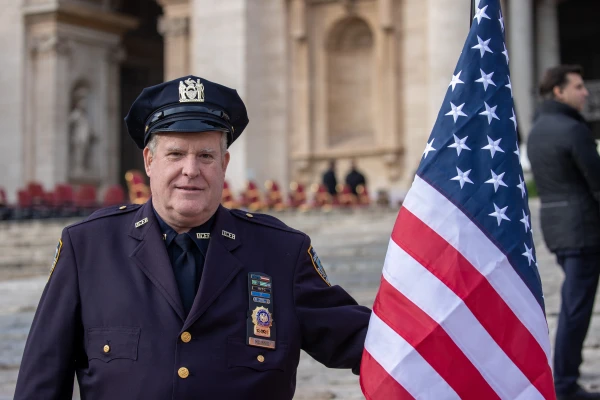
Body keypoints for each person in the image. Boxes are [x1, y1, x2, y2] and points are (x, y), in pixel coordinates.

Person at [14, 75, 371, 400]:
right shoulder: (89, 248)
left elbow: (369, 344)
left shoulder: (281, 252)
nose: (191, 170)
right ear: (149, 162)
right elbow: (41, 382)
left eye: (205, 155)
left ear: (224, 164)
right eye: (175, 154)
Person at [527, 65, 600, 400]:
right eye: (578, 86)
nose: (585, 92)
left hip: (557, 229)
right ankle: (565, 382)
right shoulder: (573, 129)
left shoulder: (538, 128)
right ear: (558, 91)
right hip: (584, 228)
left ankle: (565, 376)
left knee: (575, 303)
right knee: (576, 306)